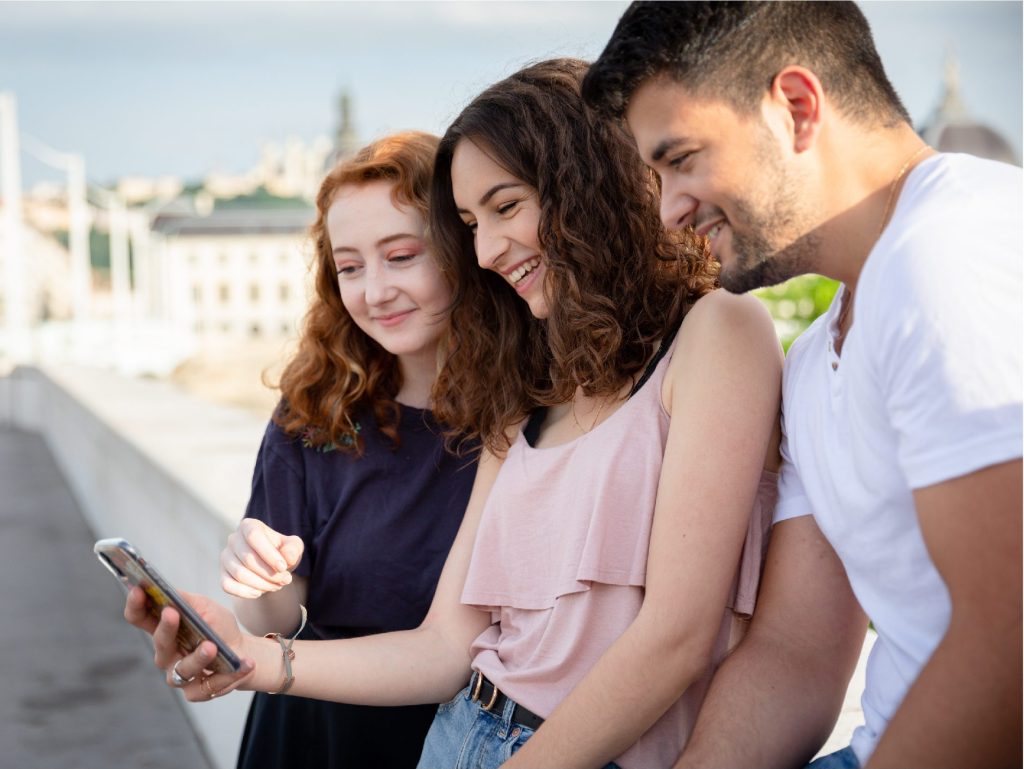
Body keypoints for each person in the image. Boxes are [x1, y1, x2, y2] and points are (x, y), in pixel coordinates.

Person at [126, 59, 783, 769]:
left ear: (587, 182)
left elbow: (676, 639)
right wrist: (253, 655)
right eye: (471, 223)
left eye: (505, 207)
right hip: (460, 732)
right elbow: (446, 648)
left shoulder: (718, 331)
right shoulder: (530, 387)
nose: (488, 250)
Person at [582, 3, 1023, 768]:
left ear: (796, 106)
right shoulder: (818, 356)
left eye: (680, 159)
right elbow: (794, 650)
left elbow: (1008, 639)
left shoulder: (950, 258)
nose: (668, 209)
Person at [220, 131, 477, 769]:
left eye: (401, 255)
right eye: (351, 267)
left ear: (463, 248)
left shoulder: (527, 419)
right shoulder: (314, 405)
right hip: (313, 728)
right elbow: (272, 620)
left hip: (456, 735)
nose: (374, 291)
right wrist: (258, 577)